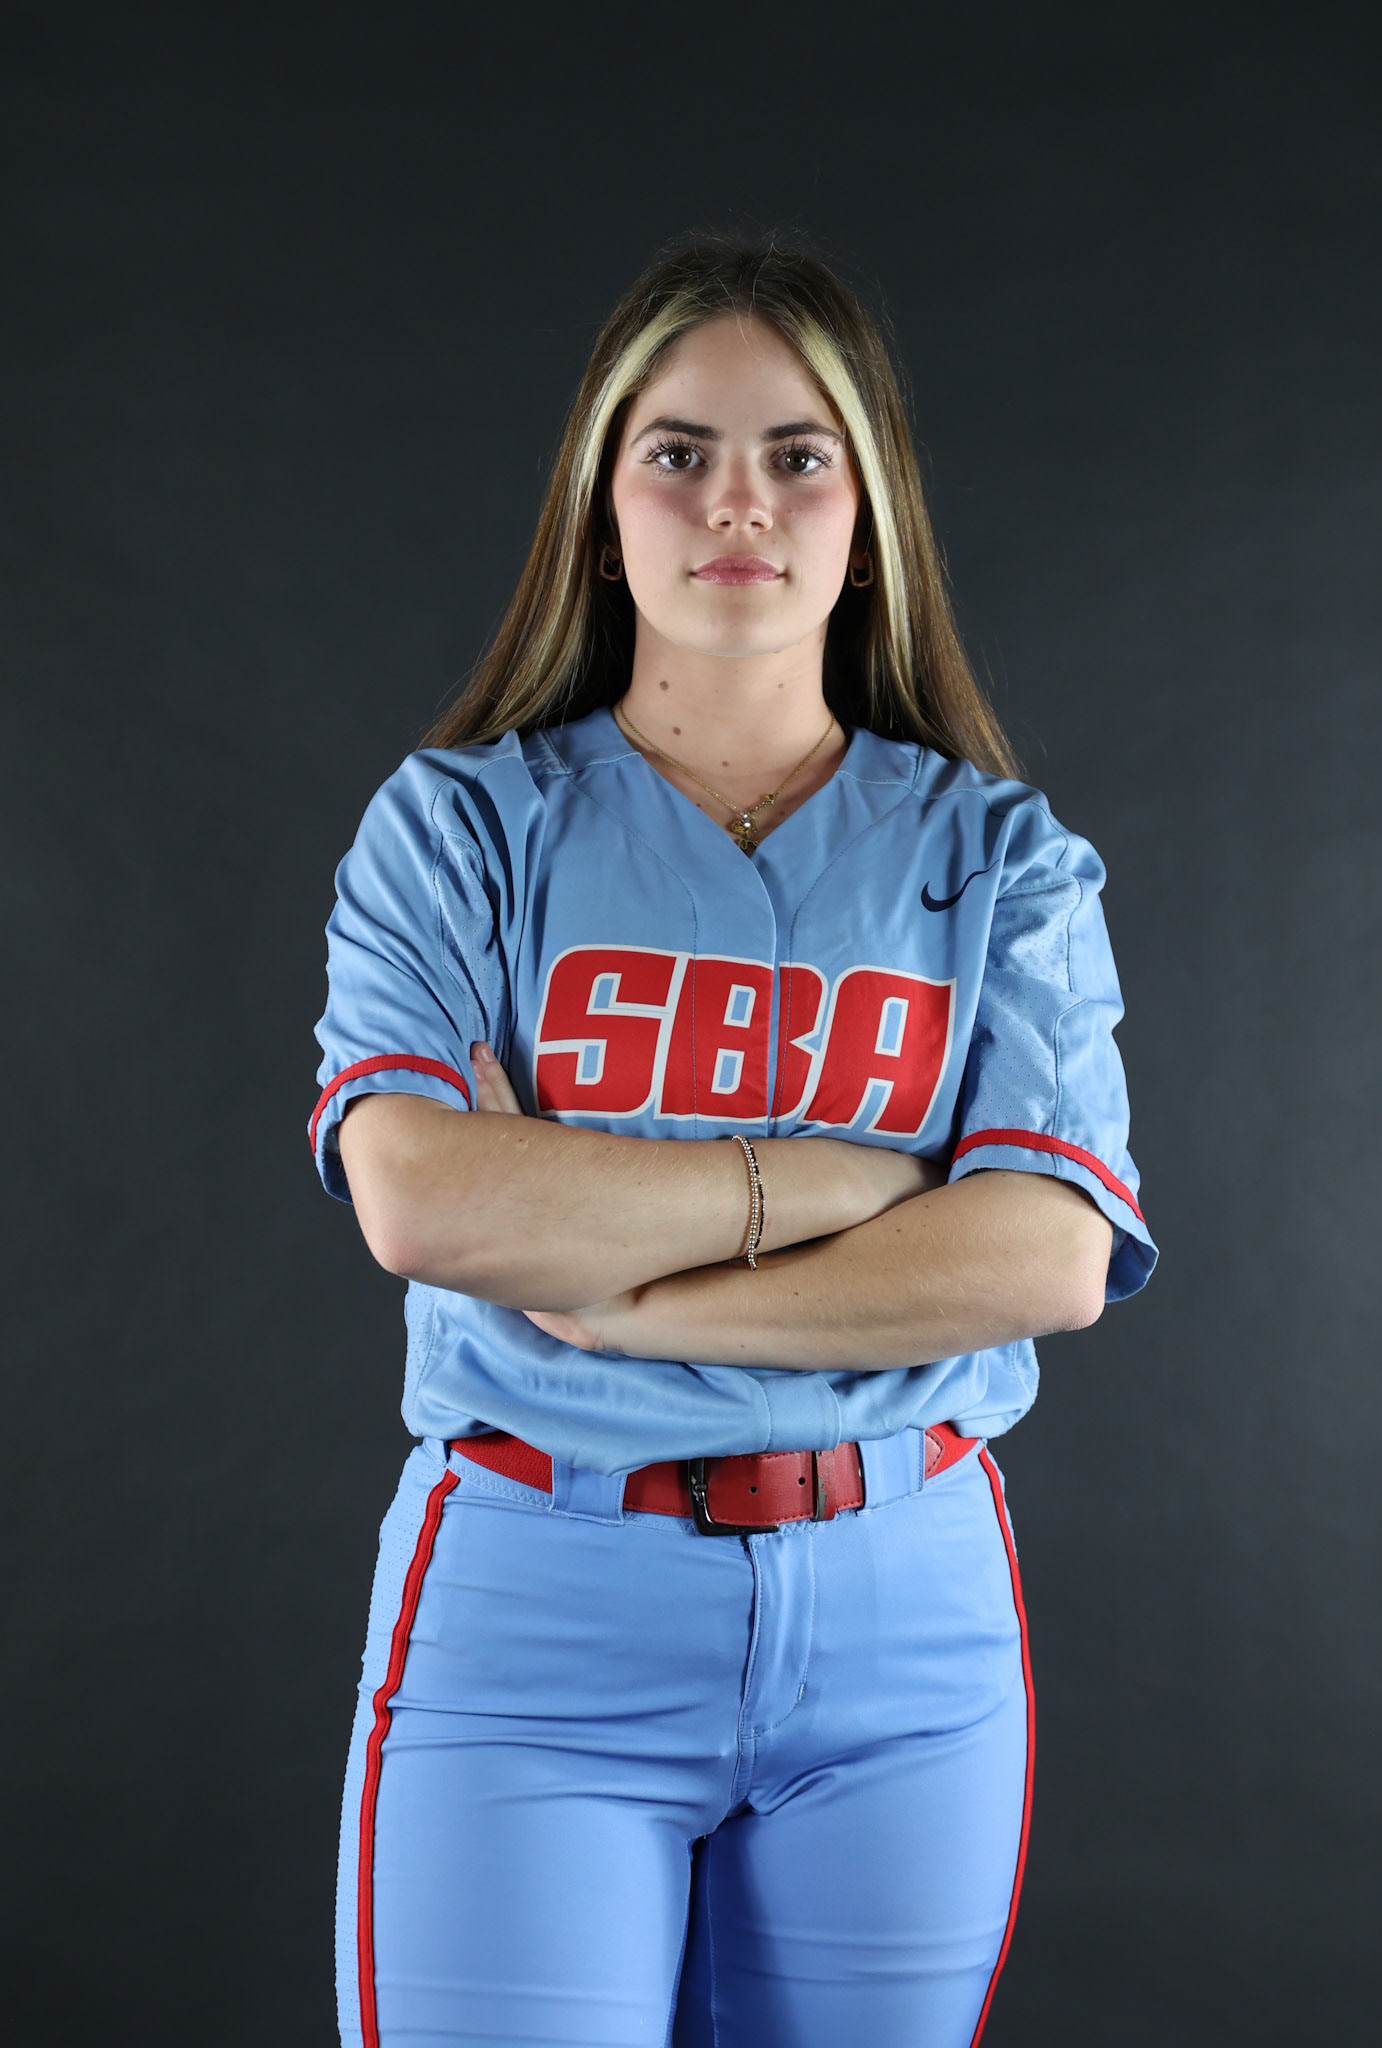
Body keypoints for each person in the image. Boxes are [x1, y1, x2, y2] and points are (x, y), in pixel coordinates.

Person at [309, 232, 1158, 2048]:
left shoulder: (996, 857)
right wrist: (848, 1192)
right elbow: (424, 1197)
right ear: (598, 505)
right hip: (538, 1603)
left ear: (871, 509)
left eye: (798, 452)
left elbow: (1043, 1259)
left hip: (905, 1620)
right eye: (675, 451)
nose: (737, 502)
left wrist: (626, 1290)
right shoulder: (459, 831)